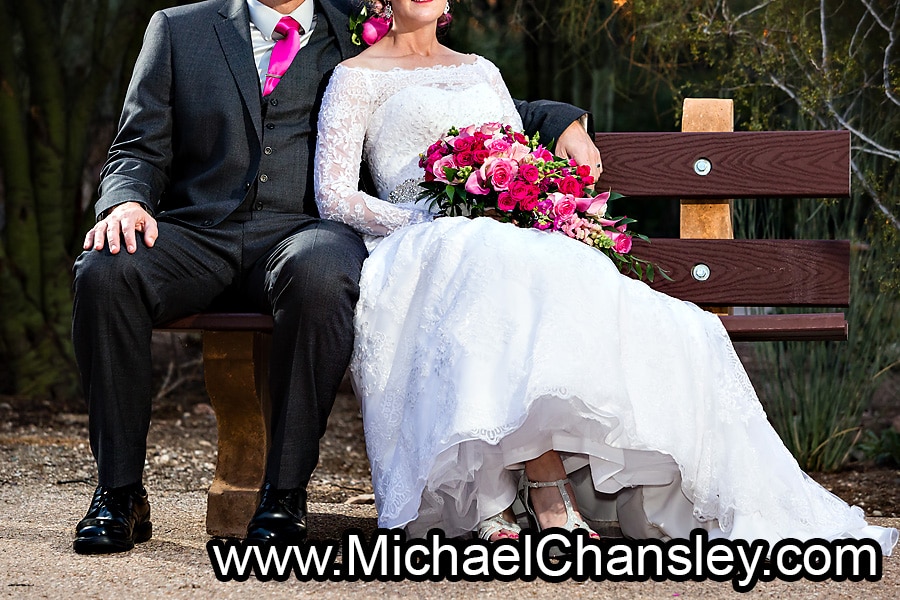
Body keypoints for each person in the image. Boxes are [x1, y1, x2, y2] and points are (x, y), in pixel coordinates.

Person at [313, 0, 899, 553]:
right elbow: (333, 194)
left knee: (662, 319)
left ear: (449, 6)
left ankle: (516, 491)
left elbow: (515, 148)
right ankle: (544, 488)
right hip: (422, 242)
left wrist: (532, 198)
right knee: (490, 267)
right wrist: (429, 216)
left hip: (510, 239)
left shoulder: (481, 69)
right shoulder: (355, 76)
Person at [70, 0, 598, 554]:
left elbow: (438, 88)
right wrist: (124, 203)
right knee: (106, 272)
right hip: (198, 231)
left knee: (322, 274)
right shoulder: (179, 29)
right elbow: (137, 143)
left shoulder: (356, 27)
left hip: (302, 231)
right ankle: (119, 491)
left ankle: (283, 494)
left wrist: (561, 118)